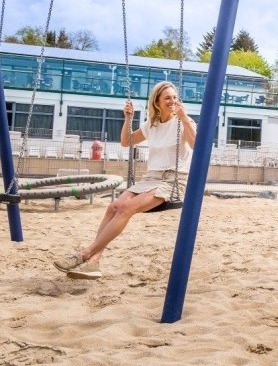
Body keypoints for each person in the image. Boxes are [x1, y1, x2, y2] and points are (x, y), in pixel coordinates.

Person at [53, 81, 197, 280]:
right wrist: (128, 118)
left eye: (175, 97)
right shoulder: (152, 125)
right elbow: (126, 141)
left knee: (125, 209)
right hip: (150, 179)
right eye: (167, 98)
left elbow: (197, 145)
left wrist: (184, 118)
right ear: (157, 102)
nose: (172, 101)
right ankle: (94, 262)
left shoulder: (183, 121)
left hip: (172, 182)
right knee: (113, 207)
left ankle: (85, 254)